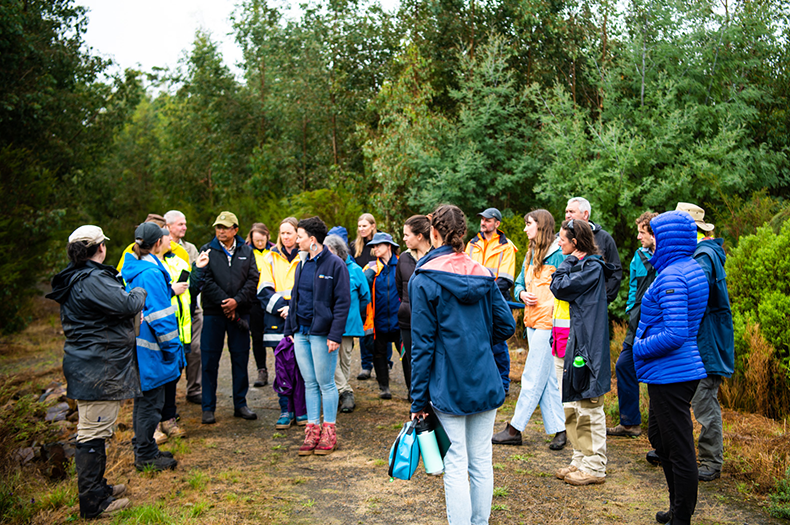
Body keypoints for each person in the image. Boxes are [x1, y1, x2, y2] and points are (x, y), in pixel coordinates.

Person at [410, 204, 516, 525]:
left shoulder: (424, 278)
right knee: (481, 461)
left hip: (448, 382)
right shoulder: (483, 272)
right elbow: (506, 325)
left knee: (456, 464)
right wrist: (478, 341)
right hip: (484, 375)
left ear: (434, 232)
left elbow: (422, 346)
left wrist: (417, 400)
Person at [46, 226, 142, 518]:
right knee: (91, 433)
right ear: (100, 248)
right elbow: (127, 304)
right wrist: (138, 290)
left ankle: (99, 488)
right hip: (97, 366)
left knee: (97, 430)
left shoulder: (79, 277)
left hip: (92, 364)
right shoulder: (92, 279)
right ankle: (93, 504)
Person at [632, 211, 709, 525]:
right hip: (672, 370)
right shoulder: (687, 267)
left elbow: (676, 334)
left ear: (670, 238)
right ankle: (677, 507)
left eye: (655, 233)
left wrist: (639, 347)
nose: (650, 239)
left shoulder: (673, 276)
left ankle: (682, 516)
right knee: (661, 439)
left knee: (678, 448)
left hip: (672, 372)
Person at [493, 210, 566, 450]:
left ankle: (515, 428)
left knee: (532, 376)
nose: (525, 229)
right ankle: (560, 429)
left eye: (529, 224)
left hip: (550, 324)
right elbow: (519, 284)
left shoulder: (559, 255)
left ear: (541, 226)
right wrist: (522, 294)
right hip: (532, 321)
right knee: (545, 381)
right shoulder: (530, 253)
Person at [550, 219, 615, 486]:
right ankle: (579, 459)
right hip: (574, 344)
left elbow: (559, 286)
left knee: (589, 408)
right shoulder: (582, 265)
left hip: (588, 348)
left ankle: (595, 466)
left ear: (575, 243)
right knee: (573, 406)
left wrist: (567, 263)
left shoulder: (591, 268)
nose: (558, 243)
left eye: (562, 240)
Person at [678, 202, 735, 483]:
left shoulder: (704, 255)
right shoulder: (700, 252)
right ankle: (679, 451)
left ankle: (711, 460)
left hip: (707, 345)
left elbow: (691, 293)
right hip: (699, 342)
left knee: (704, 401)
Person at [283, 217, 350, 456]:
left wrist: (335, 334)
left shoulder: (335, 265)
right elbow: (295, 298)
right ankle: (312, 430)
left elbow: (343, 303)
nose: (296, 240)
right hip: (301, 333)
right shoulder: (302, 264)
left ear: (312, 240)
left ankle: (329, 431)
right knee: (309, 383)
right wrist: (290, 330)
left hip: (323, 335)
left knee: (326, 383)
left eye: (299, 236)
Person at [120, 222, 183, 472]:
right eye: (165, 237)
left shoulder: (136, 268)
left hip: (140, 345)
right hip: (152, 349)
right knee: (151, 402)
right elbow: (162, 317)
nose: (169, 240)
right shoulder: (151, 273)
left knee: (145, 400)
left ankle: (145, 448)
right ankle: (146, 456)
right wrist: (172, 349)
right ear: (157, 243)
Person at [199, 211, 260, 424]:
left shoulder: (246, 251)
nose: (221, 231)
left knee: (240, 358)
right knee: (209, 360)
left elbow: (253, 280)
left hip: (240, 312)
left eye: (225, 227)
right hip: (214, 313)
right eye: (218, 227)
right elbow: (204, 280)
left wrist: (237, 302)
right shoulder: (206, 250)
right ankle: (208, 407)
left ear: (235, 229)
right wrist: (225, 303)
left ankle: (240, 404)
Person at [607, 211, 658, 438]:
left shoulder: (665, 256)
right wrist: (630, 310)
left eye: (642, 232)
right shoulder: (638, 255)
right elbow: (633, 287)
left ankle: (658, 428)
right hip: (637, 320)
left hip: (656, 323)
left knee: (657, 375)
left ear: (653, 234)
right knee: (624, 366)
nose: (638, 237)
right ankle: (630, 423)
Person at [257, 217, 307, 428]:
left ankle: (302, 410)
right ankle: (285, 410)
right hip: (278, 321)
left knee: (302, 368)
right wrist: (283, 308)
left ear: (298, 234)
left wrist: (293, 308)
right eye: (282, 233)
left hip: (300, 320)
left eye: (290, 232)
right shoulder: (270, 258)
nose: (285, 237)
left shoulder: (306, 257)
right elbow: (263, 290)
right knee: (283, 368)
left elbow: (308, 289)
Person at [465, 207, 518, 394]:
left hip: (497, 302)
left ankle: (503, 384)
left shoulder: (507, 247)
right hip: (475, 301)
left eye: (488, 220)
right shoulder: (471, 244)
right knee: (476, 342)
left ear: (497, 223)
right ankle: (480, 382)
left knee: (498, 344)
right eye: (482, 219)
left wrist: (480, 292)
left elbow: (505, 280)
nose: (483, 222)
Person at [324, 233, 370, 413]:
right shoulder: (326, 268)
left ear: (337, 251)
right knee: (330, 360)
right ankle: (345, 391)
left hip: (349, 323)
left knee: (345, 360)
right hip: (328, 323)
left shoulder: (356, 270)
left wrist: (352, 313)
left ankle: (341, 393)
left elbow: (365, 297)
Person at [154, 229, 192, 444]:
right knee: (155, 376)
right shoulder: (145, 265)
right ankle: (154, 423)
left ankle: (169, 419)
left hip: (179, 329)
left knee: (173, 375)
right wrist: (171, 290)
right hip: (155, 329)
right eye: (168, 237)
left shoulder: (179, 261)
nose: (172, 241)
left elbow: (190, 291)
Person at [164, 210, 202, 405]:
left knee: (196, 349)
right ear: (168, 226)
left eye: (185, 224)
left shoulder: (190, 249)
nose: (184, 227)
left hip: (192, 308)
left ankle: (194, 389)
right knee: (172, 351)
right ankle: (168, 396)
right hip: (170, 310)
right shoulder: (159, 249)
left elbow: (196, 277)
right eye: (180, 224)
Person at [395, 215, 432, 400]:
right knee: (411, 361)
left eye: (406, 234)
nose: (404, 239)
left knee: (430, 361)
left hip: (430, 320)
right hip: (407, 319)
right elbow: (400, 289)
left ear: (419, 236)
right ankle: (416, 399)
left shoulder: (437, 256)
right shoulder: (403, 257)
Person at [363, 232, 402, 399]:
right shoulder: (370, 267)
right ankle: (384, 388)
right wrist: (370, 274)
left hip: (399, 321)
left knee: (407, 357)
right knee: (378, 354)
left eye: (378, 245)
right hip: (378, 321)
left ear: (389, 246)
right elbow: (362, 288)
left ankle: (412, 392)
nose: (375, 248)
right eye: (373, 245)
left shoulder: (402, 264)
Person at [564, 197, 623, 303]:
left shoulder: (604, 238)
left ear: (585, 214)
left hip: (595, 304)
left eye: (571, 212)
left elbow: (615, 270)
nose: (567, 215)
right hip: (566, 303)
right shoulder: (561, 239)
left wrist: (605, 297)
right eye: (566, 212)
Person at [353, 213, 379, 380]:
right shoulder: (355, 246)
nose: (362, 229)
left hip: (378, 292)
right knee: (365, 329)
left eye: (365, 226)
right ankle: (365, 365)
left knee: (380, 329)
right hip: (362, 293)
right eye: (360, 226)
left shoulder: (380, 243)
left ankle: (384, 364)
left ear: (372, 226)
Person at [247, 222, 273, 387]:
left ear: (267, 236)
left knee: (277, 336)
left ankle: (282, 368)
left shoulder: (274, 251)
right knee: (257, 336)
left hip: (271, 298)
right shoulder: (247, 252)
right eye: (256, 240)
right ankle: (261, 370)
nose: (259, 243)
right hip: (254, 300)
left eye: (262, 239)